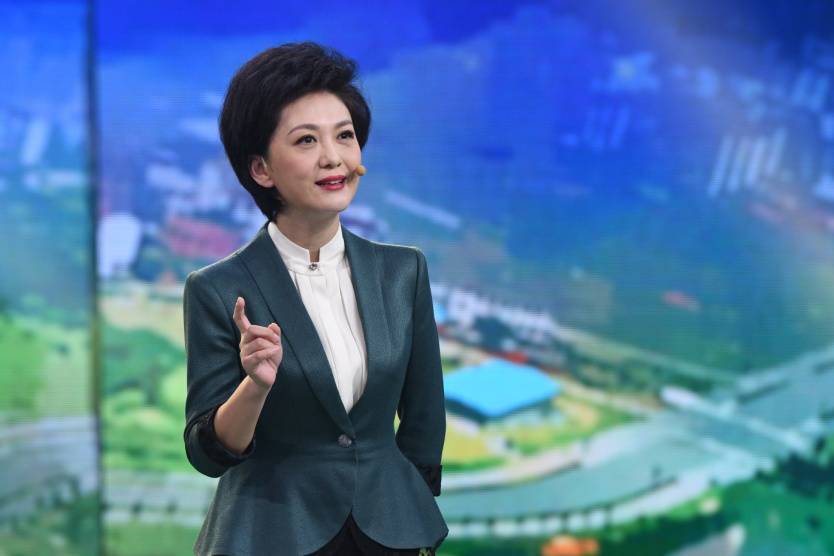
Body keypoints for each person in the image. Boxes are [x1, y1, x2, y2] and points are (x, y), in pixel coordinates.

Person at [182, 42, 448, 555]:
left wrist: (410, 508)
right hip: (272, 534)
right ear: (261, 169)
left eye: (344, 136)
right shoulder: (217, 289)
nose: (333, 157)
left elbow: (423, 420)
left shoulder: (403, 271)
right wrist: (255, 386)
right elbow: (208, 455)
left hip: (388, 532)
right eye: (306, 140)